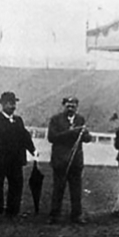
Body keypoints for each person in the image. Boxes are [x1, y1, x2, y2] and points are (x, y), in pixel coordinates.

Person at [0, 91, 38, 218]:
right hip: (0, 160)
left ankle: (13, 210)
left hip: (16, 160)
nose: (13, 106)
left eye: (14, 103)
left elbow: (25, 136)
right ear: (3, 105)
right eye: (10, 103)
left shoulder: (18, 120)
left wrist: (33, 150)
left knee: (16, 184)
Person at [48, 96, 92, 224]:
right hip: (60, 160)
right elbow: (52, 137)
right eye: (68, 105)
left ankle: (76, 215)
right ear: (64, 105)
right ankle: (54, 215)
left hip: (76, 161)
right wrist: (71, 132)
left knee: (76, 190)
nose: (70, 107)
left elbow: (87, 138)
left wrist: (85, 134)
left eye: (73, 105)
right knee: (58, 188)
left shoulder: (80, 119)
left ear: (76, 107)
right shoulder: (55, 119)